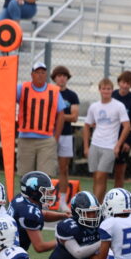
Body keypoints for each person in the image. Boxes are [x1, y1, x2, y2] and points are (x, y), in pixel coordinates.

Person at [83, 78, 131, 202]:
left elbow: (127, 126)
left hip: (110, 146)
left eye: (108, 89)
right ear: (99, 90)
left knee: (101, 176)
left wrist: (118, 145)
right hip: (95, 144)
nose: (106, 91)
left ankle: (95, 206)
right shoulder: (94, 106)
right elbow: (87, 125)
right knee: (96, 178)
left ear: (112, 90)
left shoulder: (119, 106)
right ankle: (98, 204)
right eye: (103, 88)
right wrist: (86, 147)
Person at [16, 61, 65, 178]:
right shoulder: (22, 88)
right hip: (26, 138)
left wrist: (56, 137)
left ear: (46, 75)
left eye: (42, 72)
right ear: (32, 74)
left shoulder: (54, 91)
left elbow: (61, 114)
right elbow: (7, 99)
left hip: (46, 140)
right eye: (37, 72)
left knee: (45, 176)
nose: (40, 75)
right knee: (25, 175)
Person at [53, 66, 79, 211]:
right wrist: (62, 116)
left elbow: (74, 117)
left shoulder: (72, 95)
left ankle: (62, 201)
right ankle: (44, 198)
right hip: (49, 134)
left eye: (64, 76)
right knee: (47, 167)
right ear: (54, 78)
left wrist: (59, 116)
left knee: (63, 168)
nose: (61, 78)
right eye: (59, 75)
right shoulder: (50, 92)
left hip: (66, 135)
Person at [112, 71, 131, 188]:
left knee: (119, 173)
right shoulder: (111, 96)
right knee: (102, 172)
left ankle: (118, 197)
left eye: (128, 83)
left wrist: (128, 142)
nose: (125, 85)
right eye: (123, 82)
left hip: (122, 141)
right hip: (107, 139)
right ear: (119, 82)